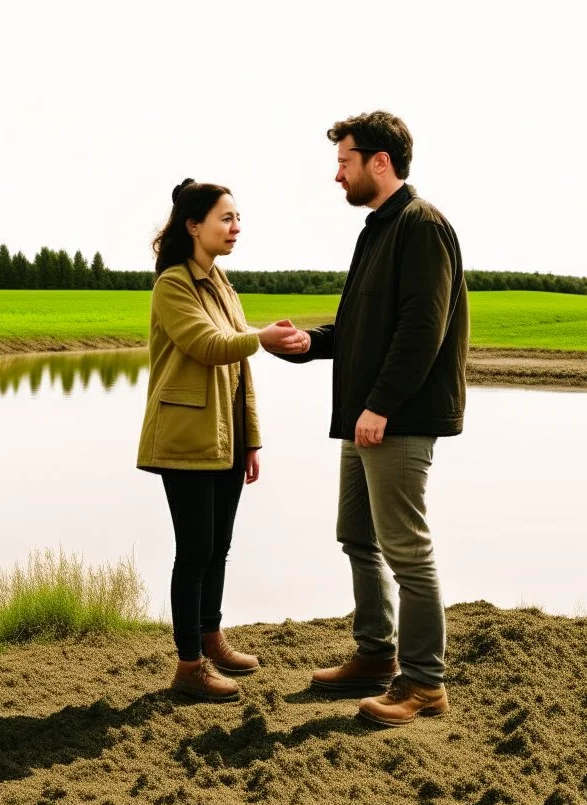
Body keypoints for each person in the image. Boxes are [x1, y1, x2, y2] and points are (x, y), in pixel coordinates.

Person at [265, 112, 469, 726]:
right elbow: (361, 326)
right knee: (356, 533)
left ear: (380, 162)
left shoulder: (422, 226)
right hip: (365, 418)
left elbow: (421, 329)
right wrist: (311, 342)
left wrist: (380, 405)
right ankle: (376, 655)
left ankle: (425, 683)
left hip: (397, 418)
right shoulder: (377, 229)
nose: (337, 175)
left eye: (345, 162)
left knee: (407, 549)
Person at [138, 178, 305, 702]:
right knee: (194, 551)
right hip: (186, 437)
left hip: (225, 438)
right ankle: (189, 666)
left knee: (219, 547)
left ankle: (212, 639)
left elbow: (239, 373)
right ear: (193, 225)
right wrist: (261, 338)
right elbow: (209, 345)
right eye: (226, 218)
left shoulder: (220, 280)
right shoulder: (173, 284)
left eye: (238, 219)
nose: (236, 228)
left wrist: (250, 441)